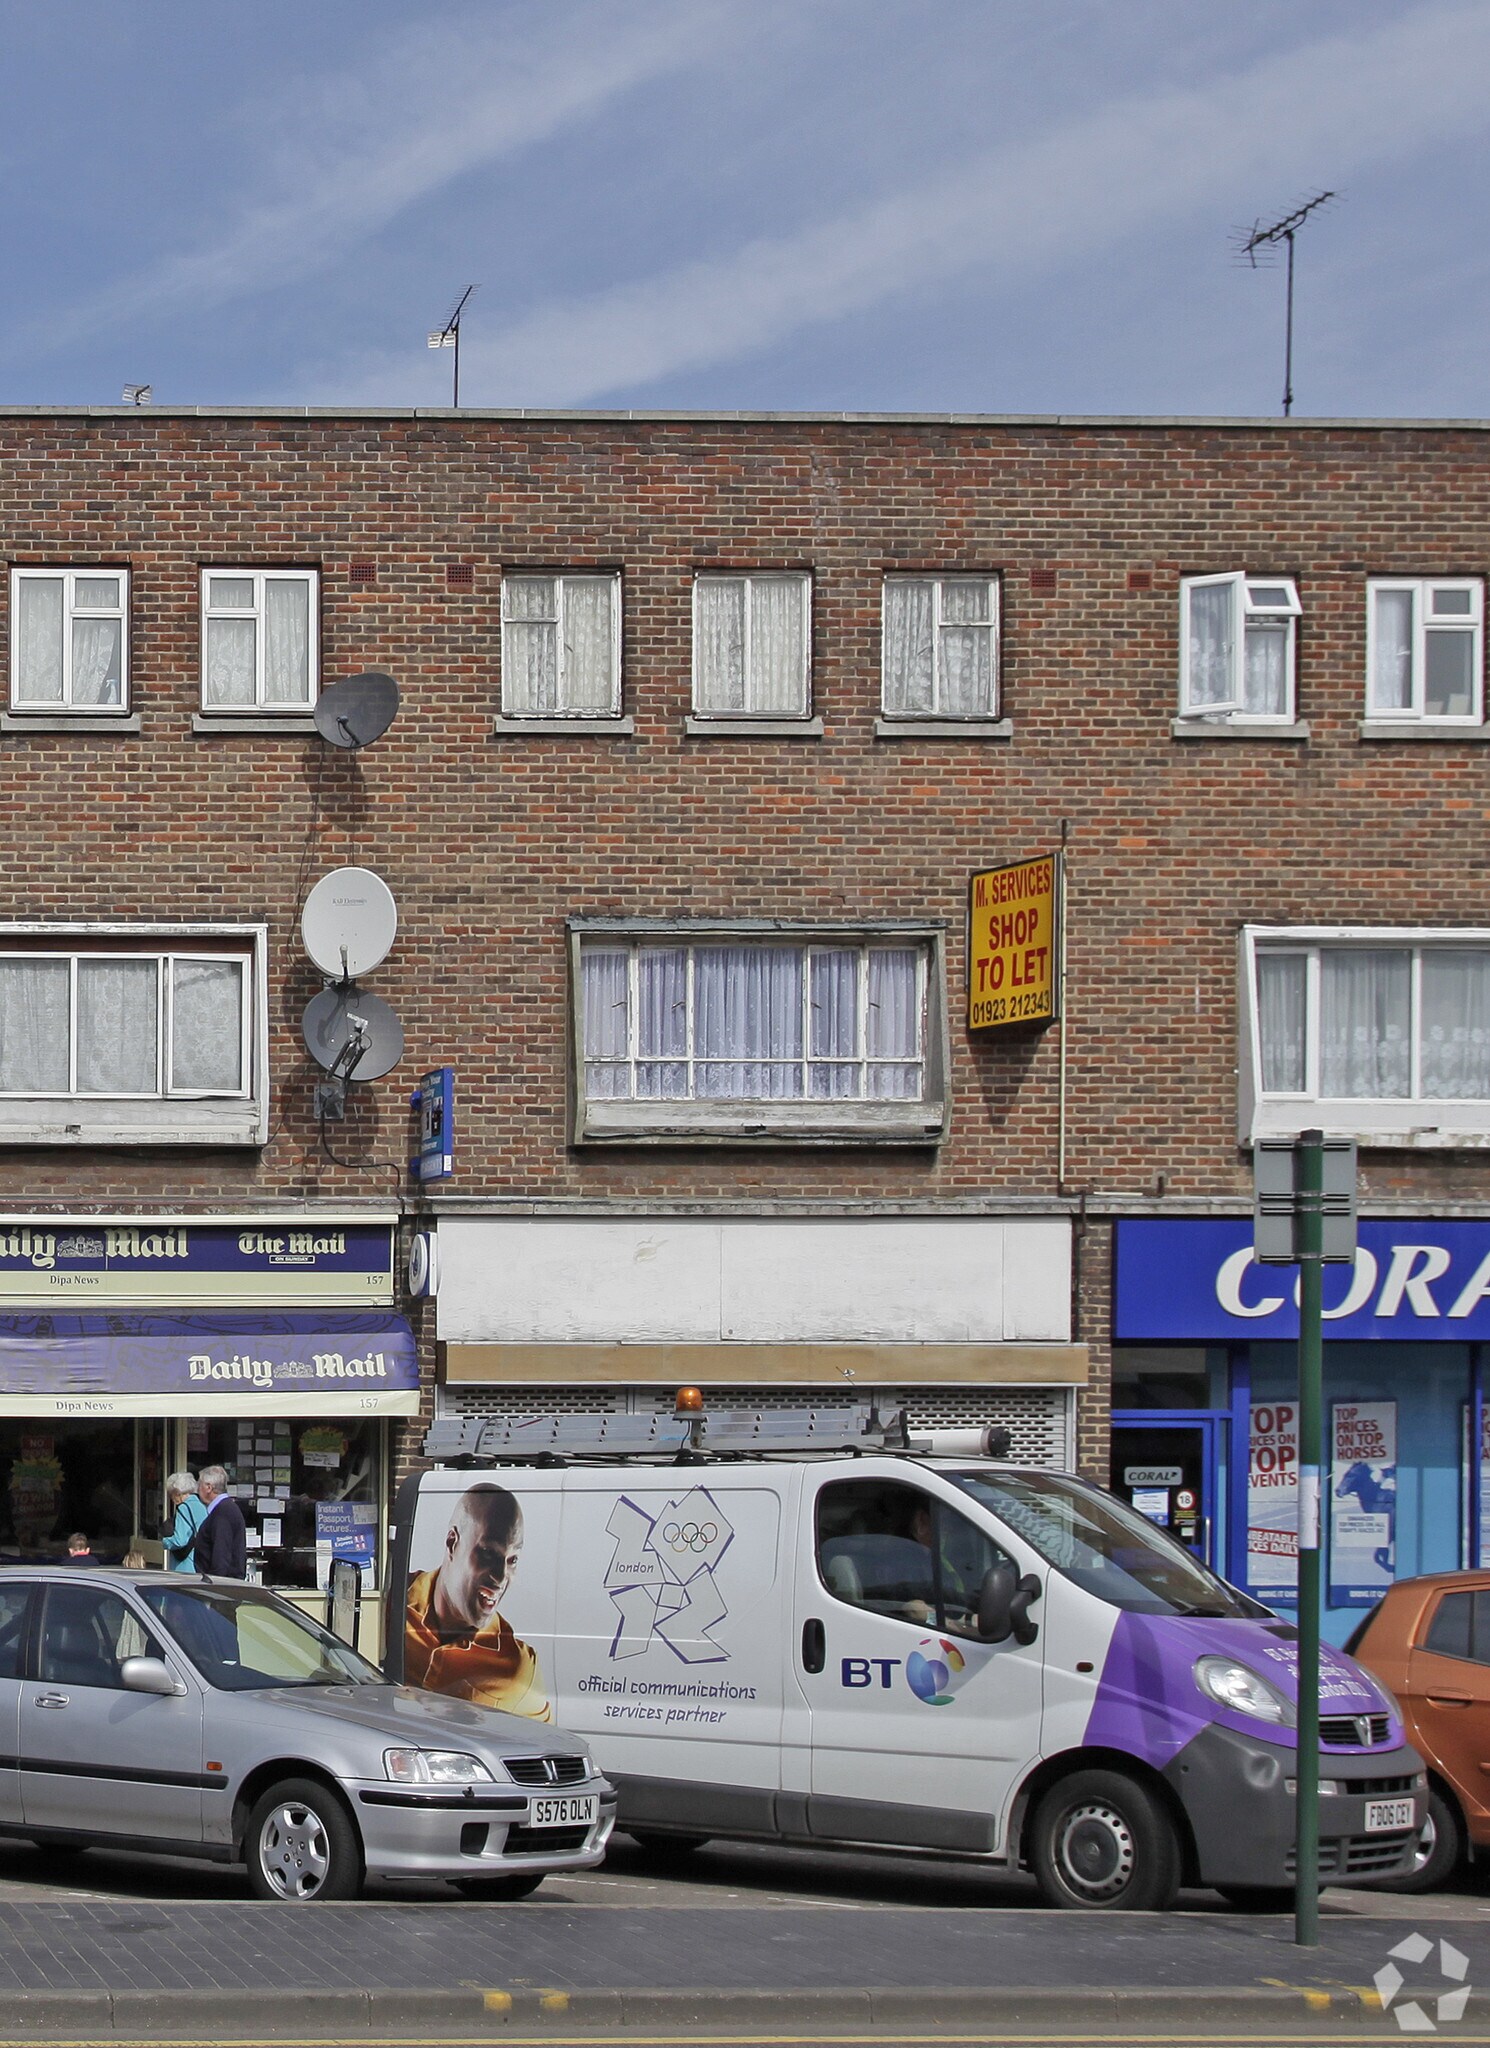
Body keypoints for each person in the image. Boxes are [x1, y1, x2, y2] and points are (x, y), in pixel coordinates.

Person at [404, 1483, 550, 1719]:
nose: (501, 1576)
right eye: (488, 1553)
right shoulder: (393, 1603)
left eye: (512, 1560)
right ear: (452, 1543)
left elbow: (540, 1744)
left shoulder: (518, 1667)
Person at [193, 1465, 248, 1578]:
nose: (197, 1489)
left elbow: (221, 1557)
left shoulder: (223, 1512)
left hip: (221, 1587)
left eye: (199, 1485)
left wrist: (214, 1588)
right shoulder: (223, 1509)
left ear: (209, 1487)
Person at [161, 1471, 209, 1574]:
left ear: (178, 1492)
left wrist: (165, 1542)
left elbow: (180, 1540)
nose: (172, 1498)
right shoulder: (202, 1506)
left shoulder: (184, 1508)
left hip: (185, 1564)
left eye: (172, 1494)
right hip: (201, 1561)